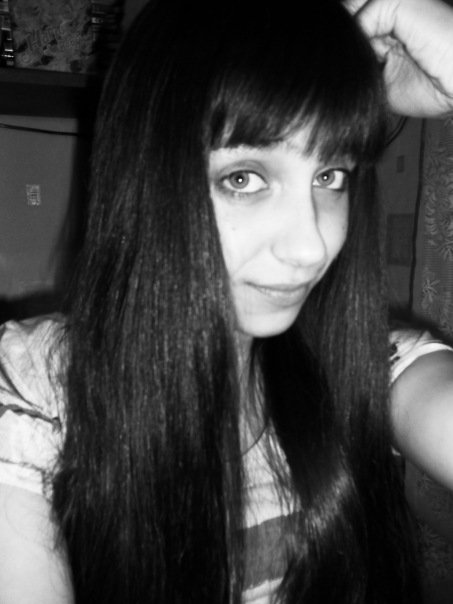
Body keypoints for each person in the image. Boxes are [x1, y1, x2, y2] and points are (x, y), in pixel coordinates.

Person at [0, 1, 452, 603]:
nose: (311, 246)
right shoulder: (33, 391)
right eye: (244, 178)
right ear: (149, 179)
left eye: (330, 176)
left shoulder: (371, 368)